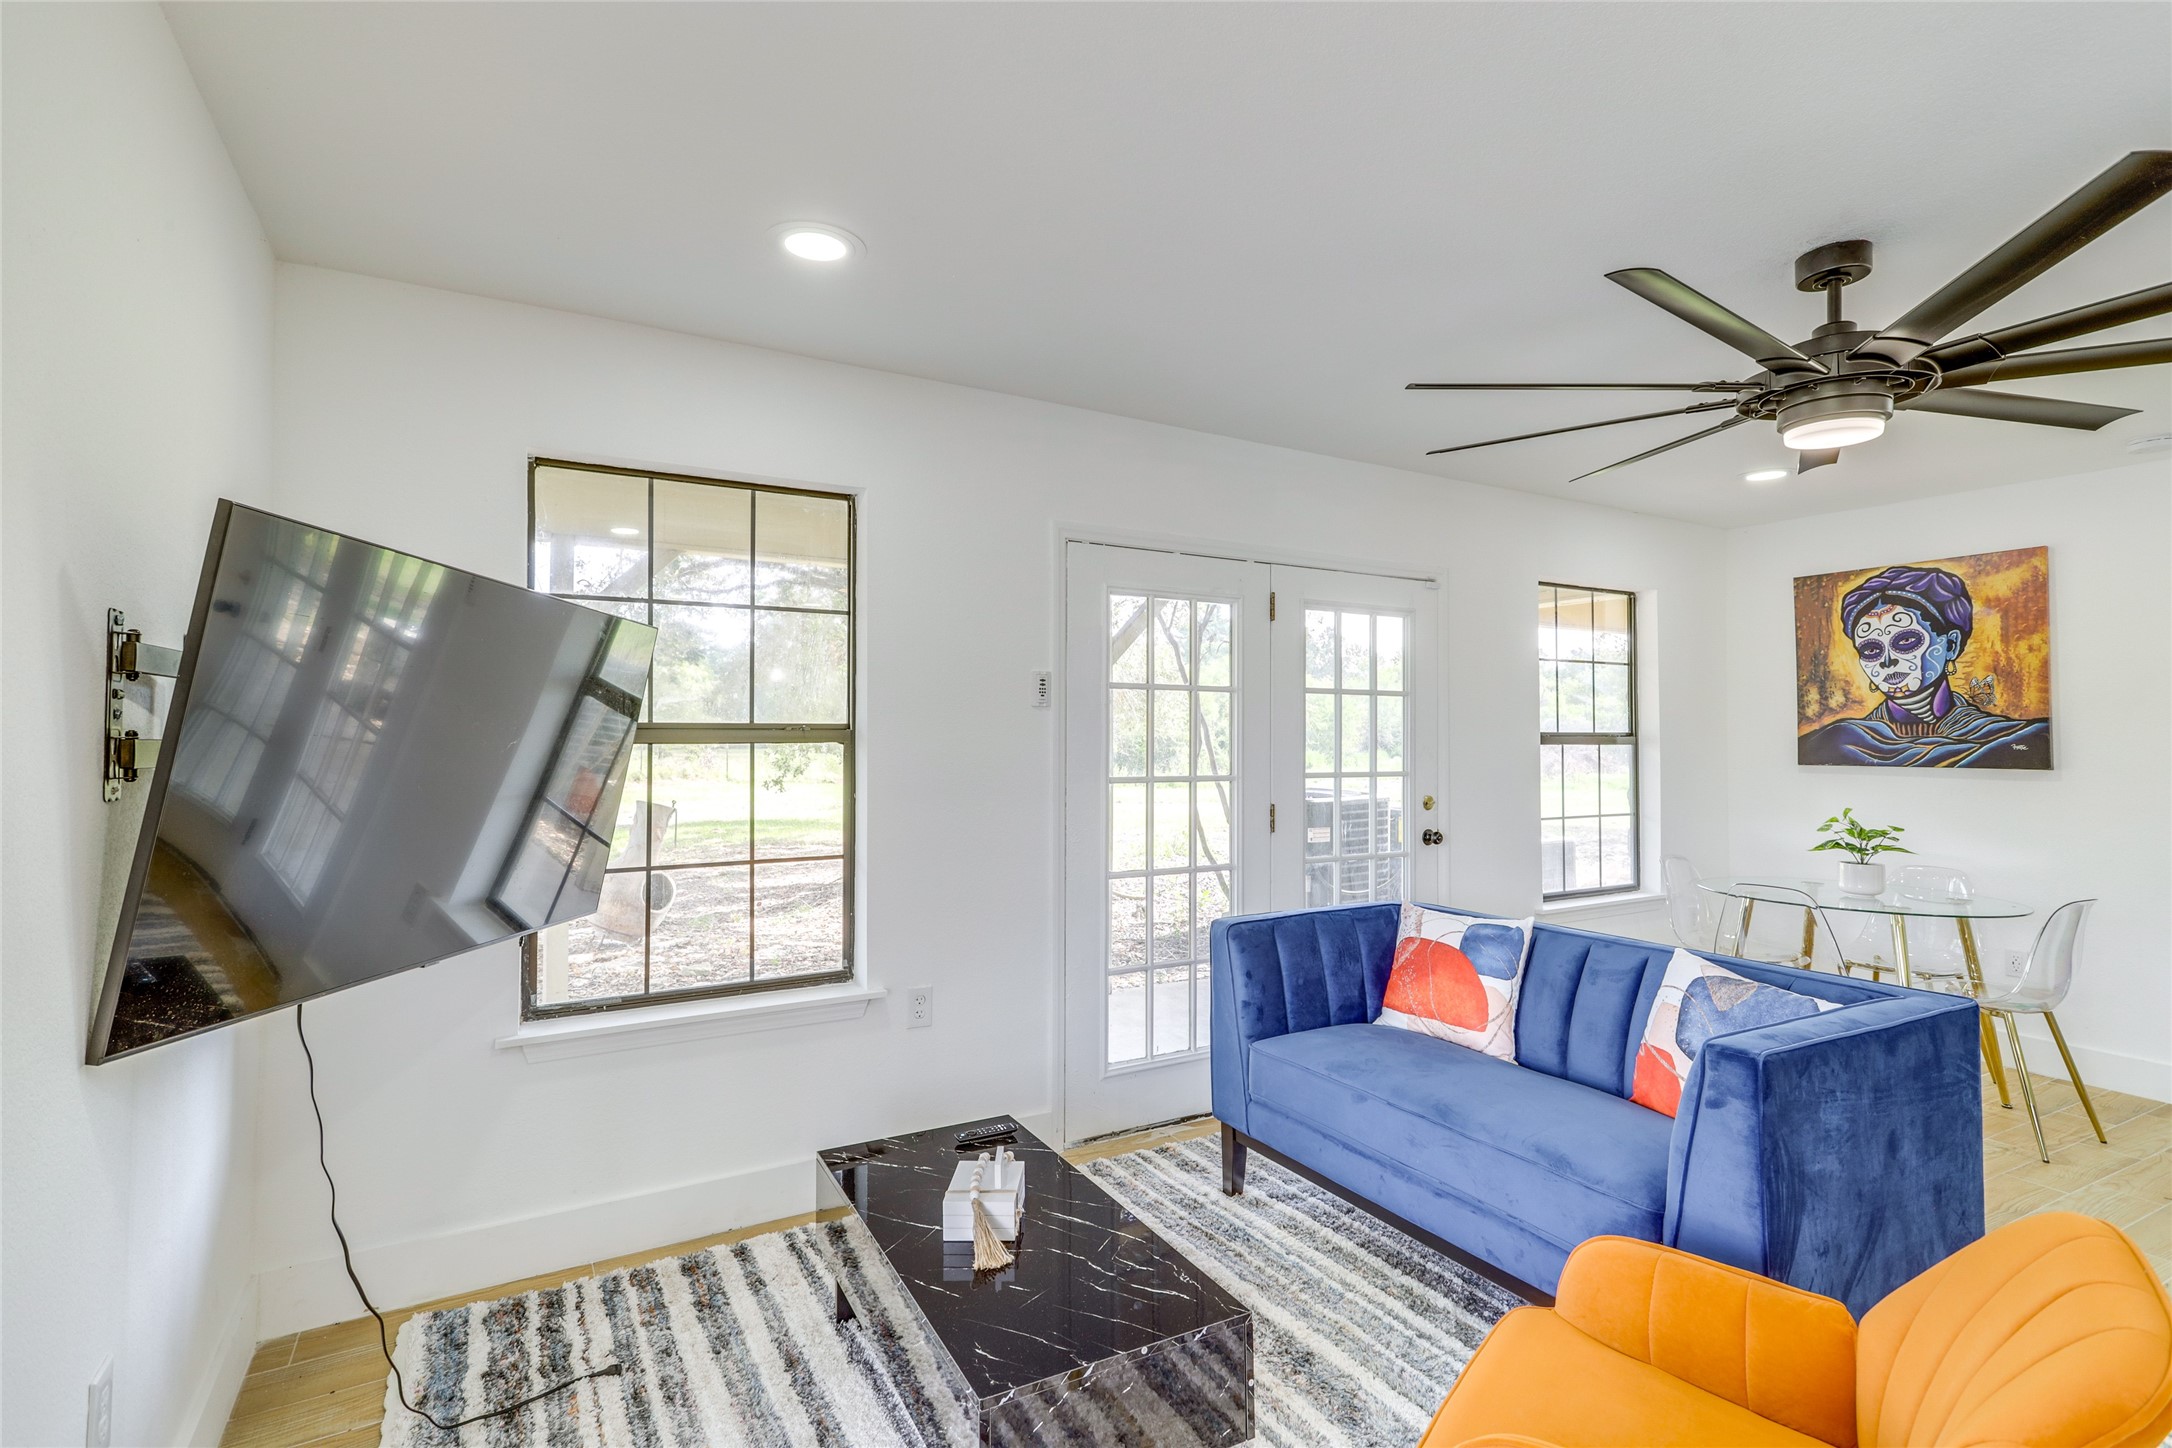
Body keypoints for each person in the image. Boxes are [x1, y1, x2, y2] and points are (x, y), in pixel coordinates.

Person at [1797, 564, 2049, 768]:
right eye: (1871, 650)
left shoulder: (2020, 739)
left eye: (1905, 641)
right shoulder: (1837, 741)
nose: (1887, 661)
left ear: (1951, 645)